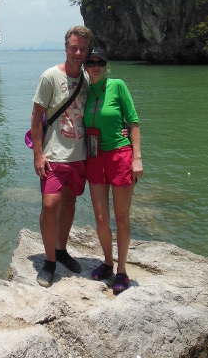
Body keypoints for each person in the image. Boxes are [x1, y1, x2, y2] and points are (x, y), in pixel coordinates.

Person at [31, 25, 93, 287]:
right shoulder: (50, 77)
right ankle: (48, 262)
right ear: (66, 48)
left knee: (69, 204)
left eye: (82, 49)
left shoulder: (89, 79)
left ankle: (61, 250)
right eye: (73, 48)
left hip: (79, 156)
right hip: (53, 155)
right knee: (49, 206)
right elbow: (36, 116)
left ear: (87, 51)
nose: (78, 52)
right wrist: (38, 154)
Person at [83, 46, 143, 294]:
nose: (96, 66)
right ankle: (107, 262)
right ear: (85, 66)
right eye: (91, 62)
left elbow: (133, 121)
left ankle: (122, 271)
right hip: (95, 157)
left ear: (106, 65)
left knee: (121, 218)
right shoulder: (84, 92)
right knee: (100, 218)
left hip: (120, 155)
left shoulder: (117, 86)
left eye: (100, 62)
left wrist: (137, 158)